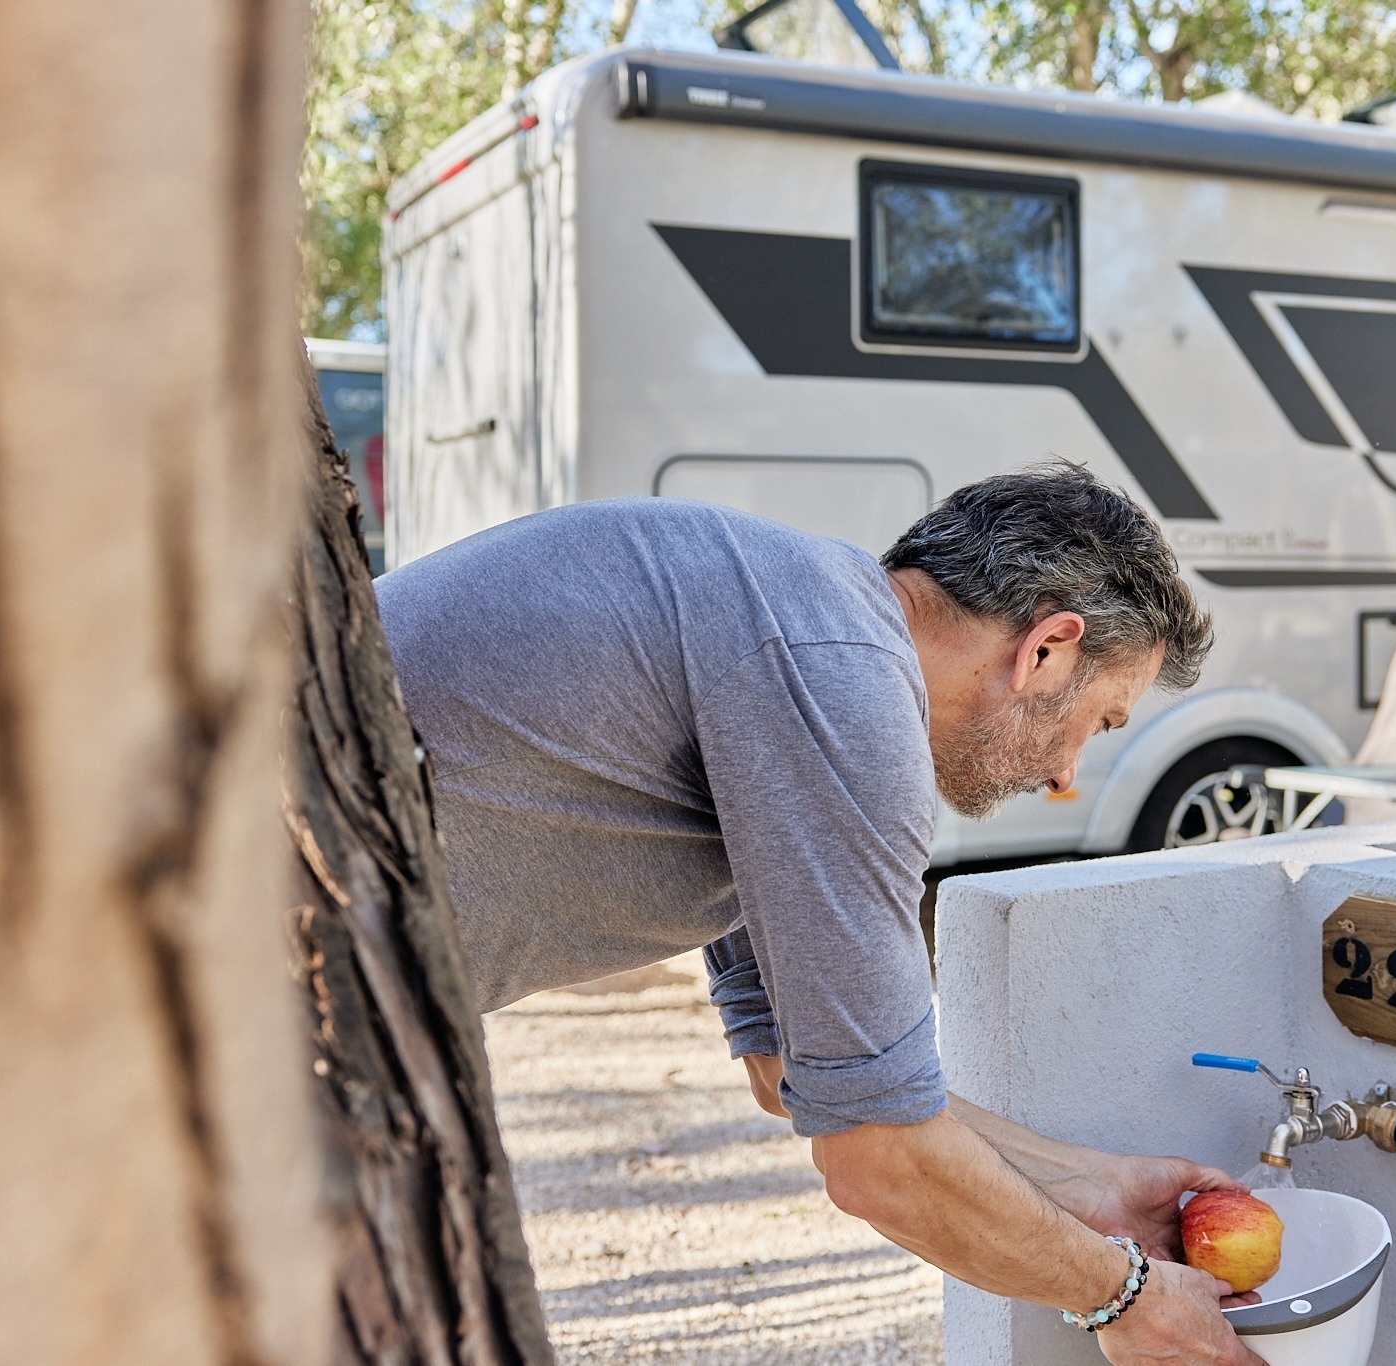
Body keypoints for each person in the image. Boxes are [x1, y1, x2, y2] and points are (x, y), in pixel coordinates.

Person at [375, 462, 1261, 1365]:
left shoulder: (796, 625)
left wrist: (1091, 1187)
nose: (1068, 773)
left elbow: (792, 1072)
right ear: (1048, 650)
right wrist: (1128, 1299)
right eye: (1100, 722)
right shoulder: (843, 688)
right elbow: (878, 1161)